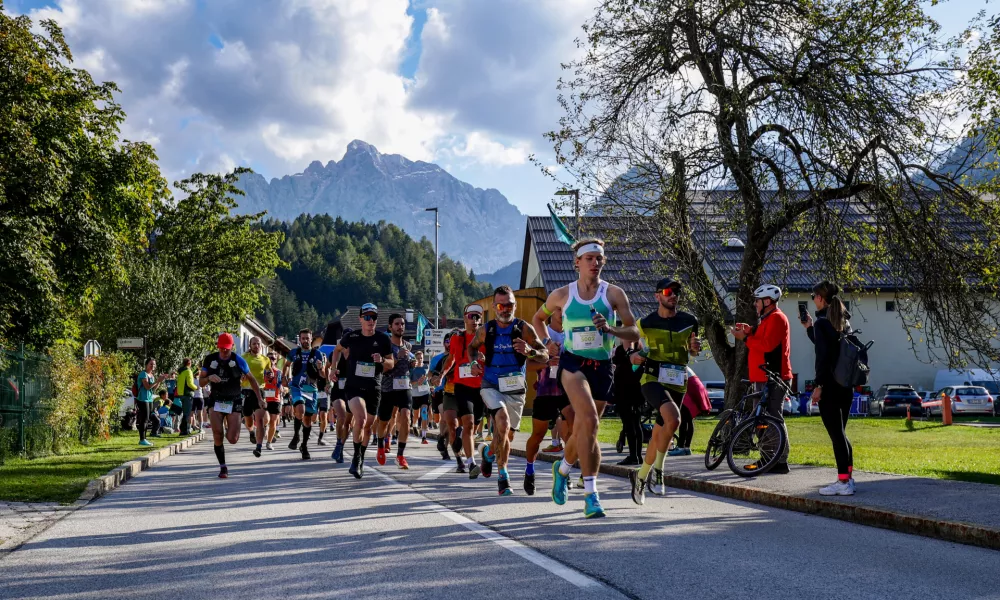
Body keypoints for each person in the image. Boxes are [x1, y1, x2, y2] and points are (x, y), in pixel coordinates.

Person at [534, 238, 640, 518]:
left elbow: (635, 333)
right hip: (572, 364)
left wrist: (612, 329)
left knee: (584, 429)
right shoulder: (561, 295)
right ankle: (591, 495)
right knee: (589, 421)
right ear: (577, 263)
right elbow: (537, 318)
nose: (595, 263)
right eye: (590, 258)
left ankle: (564, 469)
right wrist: (547, 342)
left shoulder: (614, 294)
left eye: (599, 259)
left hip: (603, 366)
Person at [469, 286, 549, 496]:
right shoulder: (486, 329)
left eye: (509, 305)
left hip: (516, 390)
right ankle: (503, 476)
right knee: (501, 422)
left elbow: (545, 355)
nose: (505, 309)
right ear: (495, 307)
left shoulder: (524, 329)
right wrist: (473, 362)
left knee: (505, 436)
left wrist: (530, 351)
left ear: (515, 305)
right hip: (491, 385)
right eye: (500, 305)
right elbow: (472, 347)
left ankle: (487, 453)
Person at [628, 278, 701, 504]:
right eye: (668, 291)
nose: (674, 295)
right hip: (652, 378)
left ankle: (640, 477)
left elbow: (693, 351)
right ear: (657, 296)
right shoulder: (645, 323)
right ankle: (659, 472)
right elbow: (628, 347)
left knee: (660, 434)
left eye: (677, 291)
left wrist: (695, 349)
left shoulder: (690, 321)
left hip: (678, 380)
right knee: (675, 419)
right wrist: (632, 356)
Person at [731, 284, 792, 473]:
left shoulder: (776, 318)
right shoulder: (767, 319)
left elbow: (767, 345)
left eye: (757, 301)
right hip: (762, 376)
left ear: (767, 301)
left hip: (774, 377)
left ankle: (779, 460)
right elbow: (762, 337)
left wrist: (745, 338)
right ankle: (768, 458)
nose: (755, 304)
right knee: (761, 419)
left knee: (773, 417)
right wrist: (749, 331)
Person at [803, 281, 856, 496]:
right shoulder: (841, 321)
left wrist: (819, 387)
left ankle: (843, 483)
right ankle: (848, 478)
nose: (813, 299)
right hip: (846, 385)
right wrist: (809, 329)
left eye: (814, 295)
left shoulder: (823, 324)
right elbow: (826, 346)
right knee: (841, 434)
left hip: (831, 387)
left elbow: (823, 358)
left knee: (837, 436)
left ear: (821, 299)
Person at [330, 303, 394, 479]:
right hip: (354, 386)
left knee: (367, 427)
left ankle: (360, 458)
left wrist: (381, 360)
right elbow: (336, 351)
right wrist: (333, 368)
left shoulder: (383, 339)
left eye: (373, 317)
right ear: (360, 319)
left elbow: (391, 363)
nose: (370, 320)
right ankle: (356, 456)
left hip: (374, 387)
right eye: (366, 317)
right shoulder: (352, 336)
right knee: (361, 418)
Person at [200, 333, 263, 478]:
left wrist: (259, 398)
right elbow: (201, 382)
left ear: (232, 347)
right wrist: (209, 377)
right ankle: (223, 467)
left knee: (232, 439)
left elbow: (252, 380)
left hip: (233, 400)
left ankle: (229, 425)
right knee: (217, 434)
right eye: (221, 348)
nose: (224, 351)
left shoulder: (238, 360)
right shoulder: (210, 359)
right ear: (218, 346)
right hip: (216, 400)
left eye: (227, 349)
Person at [524, 307, 572, 495]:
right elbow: (527, 364)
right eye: (560, 310)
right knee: (537, 435)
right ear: (551, 313)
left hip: (568, 390)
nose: (563, 314)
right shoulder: (541, 335)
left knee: (571, 435)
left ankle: (564, 472)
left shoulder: (571, 334)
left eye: (566, 311)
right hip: (546, 391)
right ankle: (529, 470)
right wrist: (547, 362)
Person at [441, 305, 487, 477]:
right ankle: (471, 463)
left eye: (477, 317)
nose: (474, 320)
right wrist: (442, 374)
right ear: (465, 318)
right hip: (462, 387)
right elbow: (451, 359)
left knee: (473, 428)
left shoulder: (485, 338)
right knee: (467, 422)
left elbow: (493, 360)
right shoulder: (457, 338)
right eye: (471, 316)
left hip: (481, 387)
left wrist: (485, 359)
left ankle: (463, 441)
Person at [376, 314, 416, 469]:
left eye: (403, 324)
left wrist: (411, 363)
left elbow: (409, 364)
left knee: (406, 417)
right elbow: (385, 368)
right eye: (397, 324)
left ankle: (400, 455)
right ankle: (380, 445)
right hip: (388, 387)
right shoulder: (386, 346)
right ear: (390, 327)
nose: (401, 327)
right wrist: (398, 358)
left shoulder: (408, 346)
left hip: (405, 386)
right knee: (384, 420)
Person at [283, 329, 326, 460]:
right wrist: (285, 377)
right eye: (303, 338)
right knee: (299, 409)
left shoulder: (318, 354)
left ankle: (304, 446)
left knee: (308, 419)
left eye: (307, 338)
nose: (305, 341)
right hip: (296, 387)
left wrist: (319, 368)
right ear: (299, 339)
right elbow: (286, 365)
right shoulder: (293, 353)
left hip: (311, 389)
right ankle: (296, 435)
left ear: (311, 338)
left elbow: (323, 375)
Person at [613, 335, 644, 465]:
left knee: (629, 424)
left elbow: (617, 363)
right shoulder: (640, 353)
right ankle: (637, 455)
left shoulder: (624, 353)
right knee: (636, 424)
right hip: (637, 393)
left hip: (625, 393)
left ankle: (633, 455)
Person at [241, 337, 272, 457]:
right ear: (250, 345)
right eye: (254, 344)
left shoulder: (265, 359)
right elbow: (238, 372)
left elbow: (270, 373)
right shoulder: (244, 357)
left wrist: (270, 375)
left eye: (258, 344)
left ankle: (259, 447)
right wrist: (241, 376)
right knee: (249, 420)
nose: (256, 345)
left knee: (259, 420)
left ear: (261, 346)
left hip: (260, 391)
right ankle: (251, 431)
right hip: (246, 391)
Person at [669, 367, 711, 456]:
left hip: (688, 386)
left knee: (684, 419)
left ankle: (681, 447)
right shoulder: (681, 362)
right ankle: (686, 447)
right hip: (694, 385)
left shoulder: (673, 363)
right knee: (688, 419)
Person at [329, 330, 353, 462]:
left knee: (349, 424)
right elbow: (327, 369)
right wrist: (332, 372)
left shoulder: (356, 352)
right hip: (338, 388)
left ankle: (341, 447)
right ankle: (338, 442)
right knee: (342, 417)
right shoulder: (336, 353)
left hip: (352, 389)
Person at [136, 358, 171, 447]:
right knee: (144, 419)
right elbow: (147, 387)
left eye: (154, 364)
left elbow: (153, 389)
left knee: (148, 419)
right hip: (142, 399)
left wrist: (159, 381)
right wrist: (157, 381)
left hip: (149, 399)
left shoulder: (151, 375)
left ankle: (145, 438)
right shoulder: (143, 374)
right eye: (151, 364)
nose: (153, 366)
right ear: (146, 365)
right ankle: (142, 439)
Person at [261, 352, 284, 451]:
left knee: (274, 422)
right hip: (264, 398)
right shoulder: (262, 371)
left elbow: (280, 385)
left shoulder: (278, 372)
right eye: (270, 358)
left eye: (274, 359)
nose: (272, 360)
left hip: (275, 399)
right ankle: (263, 429)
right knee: (266, 419)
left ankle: (269, 442)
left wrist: (283, 388)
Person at [409, 351, 432, 445]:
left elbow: (429, 377)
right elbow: (410, 382)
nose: (420, 360)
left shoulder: (426, 367)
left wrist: (428, 380)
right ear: (415, 358)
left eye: (421, 358)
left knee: (424, 413)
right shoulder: (412, 369)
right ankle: (414, 425)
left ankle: (424, 436)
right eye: (418, 358)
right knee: (416, 415)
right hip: (415, 394)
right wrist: (416, 382)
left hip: (425, 393)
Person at [174, 358, 198, 435]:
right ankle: (185, 430)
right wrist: (196, 387)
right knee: (187, 413)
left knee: (184, 412)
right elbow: (189, 383)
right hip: (188, 393)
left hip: (181, 393)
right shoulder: (188, 371)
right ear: (189, 363)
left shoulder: (180, 371)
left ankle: (183, 429)